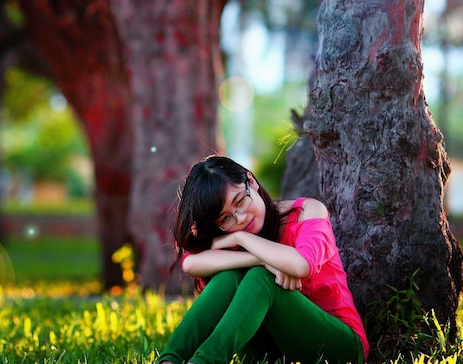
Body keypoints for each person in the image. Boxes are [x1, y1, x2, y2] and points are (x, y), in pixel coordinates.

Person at [156, 155, 369, 364]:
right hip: (272, 352)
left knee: (261, 278)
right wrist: (260, 260)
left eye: (240, 201)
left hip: (340, 346)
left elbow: (302, 265)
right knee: (231, 277)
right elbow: (191, 264)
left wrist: (241, 237)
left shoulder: (307, 211)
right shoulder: (233, 235)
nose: (240, 218)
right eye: (226, 218)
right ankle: (169, 360)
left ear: (251, 181)